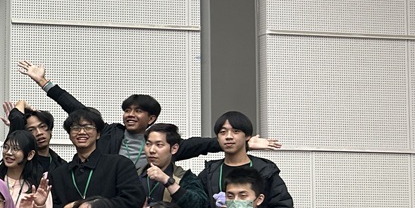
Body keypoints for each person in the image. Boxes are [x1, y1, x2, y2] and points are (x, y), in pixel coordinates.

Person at [16, 61, 281, 171]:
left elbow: (201, 145)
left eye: (138, 111)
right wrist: (44, 82)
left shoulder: (161, 143)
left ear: (151, 118)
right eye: (127, 110)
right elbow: (75, 109)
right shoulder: (110, 133)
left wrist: (245, 143)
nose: (130, 115)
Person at [50, 107, 145, 208]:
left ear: (99, 134)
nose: (81, 132)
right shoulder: (58, 174)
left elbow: (132, 202)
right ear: (70, 134)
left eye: (88, 127)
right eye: (75, 128)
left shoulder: (119, 164)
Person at [198, 111, 295, 208]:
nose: (228, 136)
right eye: (223, 132)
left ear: (248, 136)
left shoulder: (264, 171)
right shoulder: (209, 173)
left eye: (235, 131)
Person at [141, 123, 215, 208]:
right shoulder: (135, 175)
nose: (151, 150)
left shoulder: (185, 177)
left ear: (174, 148)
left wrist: (167, 181)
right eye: (148, 144)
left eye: (159, 145)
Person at [7, 104, 67, 174]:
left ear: (50, 130)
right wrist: (23, 103)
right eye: (31, 130)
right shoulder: (21, 162)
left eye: (42, 126)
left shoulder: (61, 164)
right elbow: (17, 117)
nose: (39, 133)